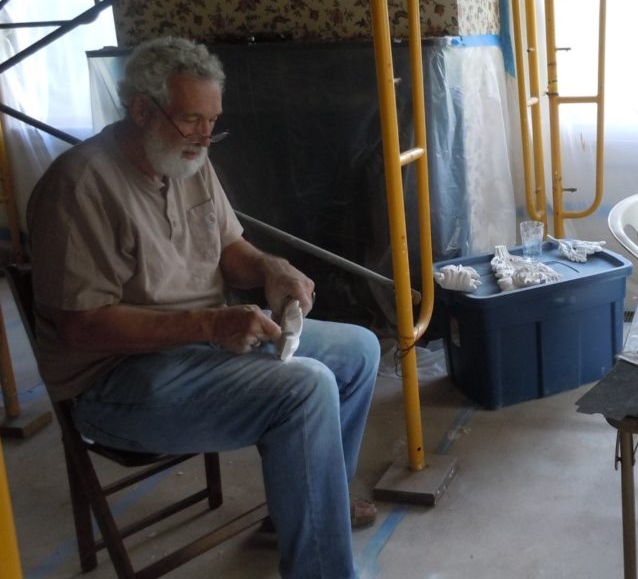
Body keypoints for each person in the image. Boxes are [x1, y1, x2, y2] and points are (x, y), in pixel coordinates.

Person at [27, 36, 381, 579]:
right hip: (115, 382)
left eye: (213, 120)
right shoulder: (79, 185)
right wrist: (210, 324)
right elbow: (80, 328)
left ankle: (309, 503)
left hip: (199, 346)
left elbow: (229, 250)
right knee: (306, 387)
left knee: (360, 349)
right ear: (141, 109)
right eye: (192, 119)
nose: (205, 135)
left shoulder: (188, 159)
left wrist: (269, 268)